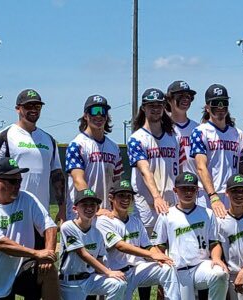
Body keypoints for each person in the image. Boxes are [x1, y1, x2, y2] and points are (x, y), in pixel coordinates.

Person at [0, 159, 59, 300]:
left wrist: (46, 257)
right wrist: (37, 253)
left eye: (19, 181)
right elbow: (0, 244)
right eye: (12, 181)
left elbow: (50, 226)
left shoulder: (27, 199)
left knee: (49, 271)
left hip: (21, 268)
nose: (17, 185)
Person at [0, 89, 65, 240]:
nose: (33, 110)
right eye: (29, 106)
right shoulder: (4, 136)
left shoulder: (48, 139)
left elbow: (57, 175)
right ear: (18, 108)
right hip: (11, 212)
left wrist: (62, 208)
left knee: (42, 260)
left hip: (41, 213)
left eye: (37, 106)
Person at [96, 179, 179, 300]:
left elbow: (147, 245)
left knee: (168, 268)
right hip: (117, 274)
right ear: (111, 198)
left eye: (129, 196)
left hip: (137, 270)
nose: (125, 199)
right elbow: (120, 246)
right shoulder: (104, 221)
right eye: (121, 196)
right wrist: (152, 255)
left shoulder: (135, 221)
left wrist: (162, 257)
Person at [152, 172, 229, 299]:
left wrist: (216, 258)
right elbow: (158, 246)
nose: (188, 192)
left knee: (220, 274)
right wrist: (162, 269)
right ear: (175, 190)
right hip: (179, 270)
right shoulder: (166, 215)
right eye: (184, 188)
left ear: (197, 191)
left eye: (192, 189)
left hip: (201, 265)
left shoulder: (208, 213)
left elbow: (214, 243)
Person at [128, 88, 181, 234]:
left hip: (172, 201)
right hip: (148, 204)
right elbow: (145, 171)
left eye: (159, 105)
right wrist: (157, 197)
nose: (156, 109)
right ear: (143, 108)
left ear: (164, 107)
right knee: (149, 251)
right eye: (151, 105)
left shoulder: (173, 137)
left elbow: (179, 168)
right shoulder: (137, 139)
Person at [59, 189, 128, 300]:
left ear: (97, 209)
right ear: (75, 209)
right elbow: (82, 254)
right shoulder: (68, 227)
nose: (89, 208)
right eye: (84, 204)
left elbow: (100, 260)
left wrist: (106, 274)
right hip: (70, 283)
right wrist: (108, 272)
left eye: (93, 205)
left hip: (89, 280)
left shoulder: (97, 233)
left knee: (118, 284)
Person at [65, 95, 124, 219]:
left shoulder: (114, 147)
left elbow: (117, 181)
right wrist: (95, 207)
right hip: (81, 214)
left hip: (107, 214)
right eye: (94, 111)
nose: (98, 115)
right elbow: (78, 180)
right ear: (85, 116)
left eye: (102, 112)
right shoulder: (77, 144)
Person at [191, 84, 243, 218]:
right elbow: (200, 167)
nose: (220, 108)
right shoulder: (200, 131)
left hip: (232, 193)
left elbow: (242, 166)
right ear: (207, 107)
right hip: (208, 194)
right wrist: (213, 196)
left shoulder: (237, 133)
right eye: (215, 104)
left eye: (224, 103)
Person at [165, 80, 200, 175]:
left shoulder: (198, 129)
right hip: (172, 183)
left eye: (188, 97)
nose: (186, 100)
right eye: (181, 96)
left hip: (195, 184)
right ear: (169, 99)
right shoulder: (162, 129)